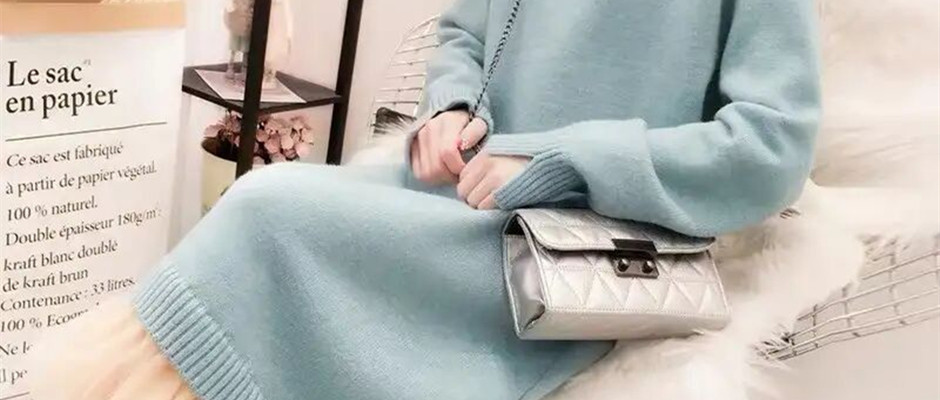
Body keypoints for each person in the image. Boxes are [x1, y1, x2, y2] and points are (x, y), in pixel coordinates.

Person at [31, 0, 821, 399]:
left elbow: (772, 147)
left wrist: (566, 160)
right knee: (263, 203)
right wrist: (449, 109)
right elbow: (465, 38)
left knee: (267, 214)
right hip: (451, 187)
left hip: (575, 238)